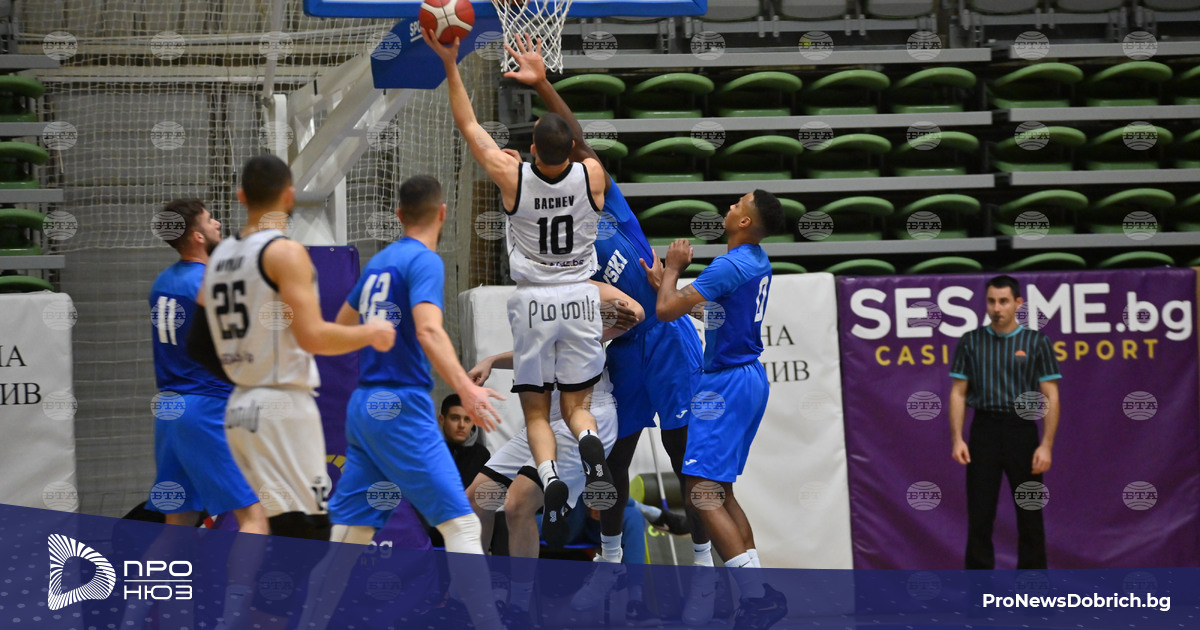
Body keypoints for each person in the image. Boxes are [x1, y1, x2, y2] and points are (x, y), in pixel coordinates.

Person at [499, 34, 718, 623]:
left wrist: (543, 84)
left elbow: (574, 137)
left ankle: (702, 572)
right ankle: (611, 564)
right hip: (620, 350)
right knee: (614, 461)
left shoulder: (604, 199)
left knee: (686, 461)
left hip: (667, 345)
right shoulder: (552, 251)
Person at [424, 29, 613, 543]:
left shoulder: (513, 176)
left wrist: (451, 63)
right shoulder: (593, 175)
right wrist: (546, 83)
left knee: (535, 411)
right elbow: (579, 141)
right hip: (581, 295)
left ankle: (548, 477)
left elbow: (468, 126)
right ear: (572, 150)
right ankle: (589, 446)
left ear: (531, 149)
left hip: (532, 301)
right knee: (577, 407)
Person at [297, 175, 506, 630]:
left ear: (398, 215)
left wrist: (373, 337)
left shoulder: (379, 262)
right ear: (443, 213)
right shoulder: (423, 260)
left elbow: (338, 330)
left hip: (364, 407)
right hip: (400, 407)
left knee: (349, 538)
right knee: (462, 526)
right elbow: (429, 329)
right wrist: (467, 388)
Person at [191, 154, 395, 539]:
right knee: (307, 530)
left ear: (241, 196)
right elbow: (312, 336)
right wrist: (371, 333)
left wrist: (247, 376)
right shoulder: (285, 252)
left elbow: (198, 344)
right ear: (289, 196)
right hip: (280, 405)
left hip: (240, 407)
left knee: (270, 525)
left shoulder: (218, 258)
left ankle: (244, 585)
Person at [647, 191, 788, 630]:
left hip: (726, 384)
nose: (730, 207)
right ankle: (760, 593)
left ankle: (756, 599)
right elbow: (714, 312)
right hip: (748, 378)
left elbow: (666, 311)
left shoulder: (729, 265)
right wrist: (671, 287)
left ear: (745, 222)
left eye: (738, 204)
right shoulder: (756, 259)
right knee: (721, 491)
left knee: (701, 492)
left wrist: (672, 270)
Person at [463, 285, 640, 626]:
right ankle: (478, 596)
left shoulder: (581, 293)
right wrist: (491, 361)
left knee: (517, 505)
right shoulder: (534, 306)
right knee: (477, 498)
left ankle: (518, 607)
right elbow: (533, 352)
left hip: (586, 408)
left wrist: (609, 314)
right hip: (550, 417)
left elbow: (635, 314)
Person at [148, 198, 266, 534]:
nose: (218, 224)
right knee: (253, 518)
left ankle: (154, 573)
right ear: (198, 237)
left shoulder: (162, 282)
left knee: (178, 525)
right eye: (210, 219)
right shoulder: (209, 284)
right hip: (205, 408)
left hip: (170, 410)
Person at [949, 275, 1061, 570]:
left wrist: (1046, 445)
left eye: (1003, 301)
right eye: (991, 301)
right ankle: (979, 593)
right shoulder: (971, 341)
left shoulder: (1037, 342)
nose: (997, 308)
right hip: (983, 431)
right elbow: (958, 392)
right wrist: (958, 438)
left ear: (1018, 303)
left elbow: (1050, 394)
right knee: (980, 516)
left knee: (1030, 515)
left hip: (1022, 431)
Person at [440, 394, 492, 488]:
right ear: (442, 420)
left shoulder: (482, 455)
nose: (462, 425)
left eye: (467, 419)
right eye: (455, 418)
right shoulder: (428, 452)